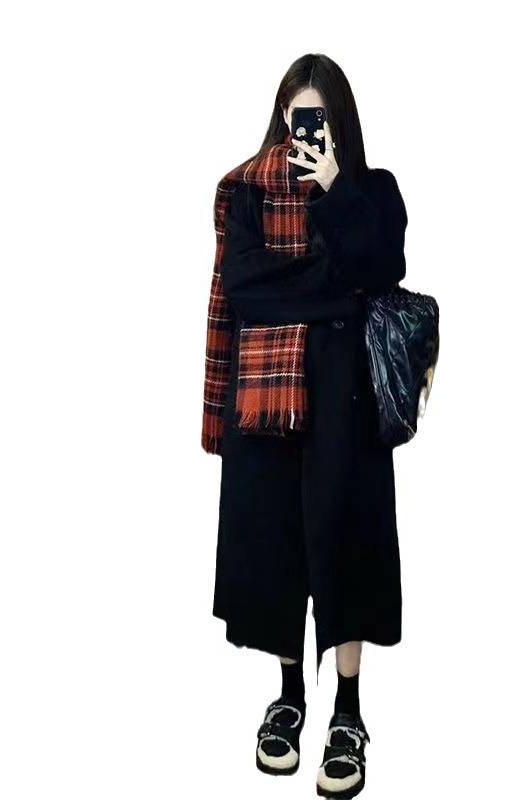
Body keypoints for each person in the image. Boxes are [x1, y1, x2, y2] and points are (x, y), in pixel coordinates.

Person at [201, 53, 407, 799]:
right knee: (277, 546)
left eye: (319, 118)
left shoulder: (372, 192)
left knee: (346, 546)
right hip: (265, 402)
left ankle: (347, 711)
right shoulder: (246, 192)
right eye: (297, 118)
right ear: (281, 118)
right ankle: (290, 696)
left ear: (339, 123)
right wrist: (333, 289)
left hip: (347, 403)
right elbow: (246, 291)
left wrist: (336, 193)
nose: (305, 131)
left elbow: (382, 267)